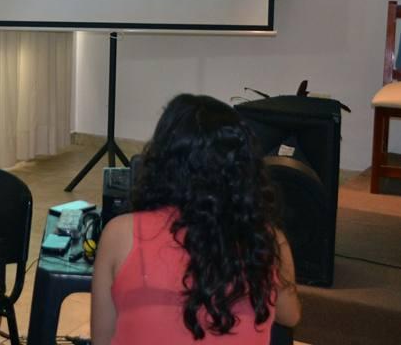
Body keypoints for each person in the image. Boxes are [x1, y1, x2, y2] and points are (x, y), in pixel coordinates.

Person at [91, 94, 301, 345]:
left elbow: (101, 338)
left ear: (162, 161)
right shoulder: (267, 240)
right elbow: (291, 316)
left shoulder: (119, 234)